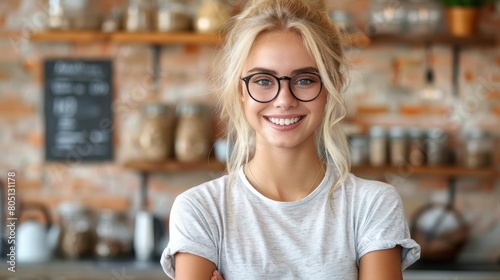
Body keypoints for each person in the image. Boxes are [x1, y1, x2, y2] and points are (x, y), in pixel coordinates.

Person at [160, 0, 420, 279]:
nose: (284, 100)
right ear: (240, 91)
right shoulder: (201, 209)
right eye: (263, 80)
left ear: (332, 87)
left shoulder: (373, 205)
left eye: (305, 80)